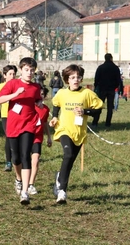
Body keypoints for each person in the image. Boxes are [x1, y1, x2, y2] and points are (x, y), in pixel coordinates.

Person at [50, 64, 103, 204]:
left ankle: (59, 178)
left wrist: (85, 111)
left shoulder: (87, 93)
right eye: (72, 77)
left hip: (79, 132)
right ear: (67, 79)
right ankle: (62, 191)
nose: (76, 80)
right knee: (67, 155)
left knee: (70, 161)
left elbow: (98, 109)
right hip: (64, 129)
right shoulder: (61, 93)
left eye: (78, 77)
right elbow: (56, 105)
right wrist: (55, 117)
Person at [0, 57, 41, 205]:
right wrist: (16, 94)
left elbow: (36, 99)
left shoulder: (35, 87)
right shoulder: (13, 84)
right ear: (21, 70)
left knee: (25, 156)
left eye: (32, 70)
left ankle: (25, 192)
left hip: (29, 124)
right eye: (27, 70)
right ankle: (18, 179)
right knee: (15, 158)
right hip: (13, 125)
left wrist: (39, 103)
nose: (30, 73)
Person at [0, 65, 18, 172]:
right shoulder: (1, 86)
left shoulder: (18, 85)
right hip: (6, 116)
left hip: (17, 116)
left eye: (14, 74)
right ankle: (8, 162)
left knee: (17, 137)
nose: (12, 76)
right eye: (10, 74)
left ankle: (17, 158)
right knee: (8, 137)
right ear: (5, 75)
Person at [28, 87, 52, 195]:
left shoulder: (46, 109)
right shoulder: (29, 106)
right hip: (26, 135)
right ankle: (21, 180)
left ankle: (31, 184)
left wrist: (49, 137)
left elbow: (45, 123)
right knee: (24, 159)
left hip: (37, 137)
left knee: (36, 159)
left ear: (45, 96)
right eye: (38, 94)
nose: (40, 96)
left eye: (42, 94)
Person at [92, 53, 121, 128]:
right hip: (111, 89)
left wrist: (96, 86)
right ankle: (108, 123)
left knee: (99, 106)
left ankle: (95, 122)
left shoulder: (100, 67)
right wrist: (115, 86)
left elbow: (96, 79)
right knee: (110, 107)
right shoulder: (115, 68)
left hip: (102, 89)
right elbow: (118, 80)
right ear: (111, 58)